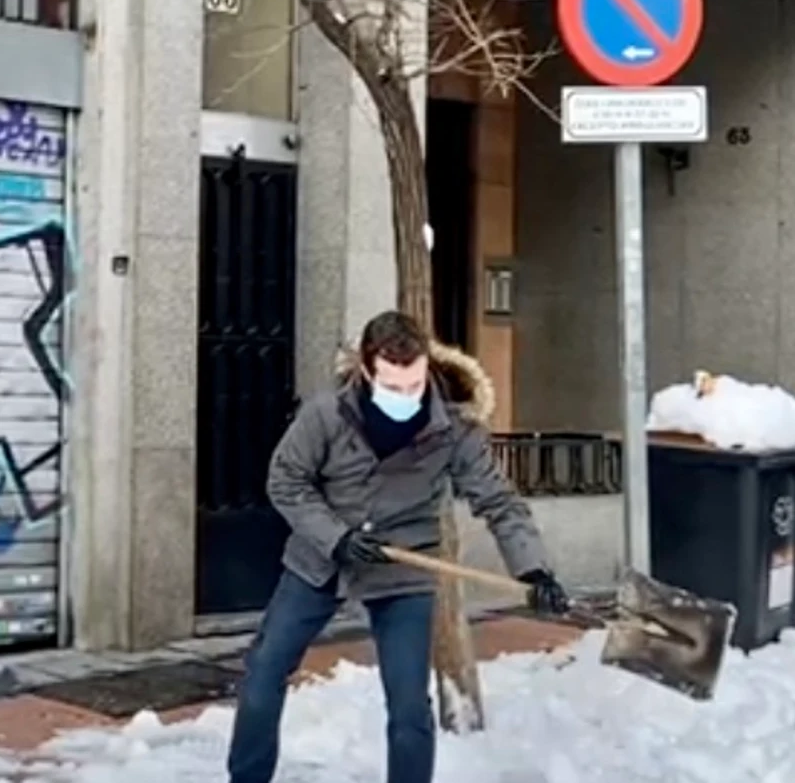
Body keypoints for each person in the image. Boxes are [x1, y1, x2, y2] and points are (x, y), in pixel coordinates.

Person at [227, 311, 570, 783]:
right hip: (319, 560)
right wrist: (337, 538)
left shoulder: (454, 428)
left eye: (414, 385)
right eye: (393, 387)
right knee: (263, 674)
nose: (407, 397)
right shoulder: (327, 415)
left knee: (409, 704)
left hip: (404, 567)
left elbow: (499, 502)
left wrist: (535, 570)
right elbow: (285, 481)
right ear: (367, 371)